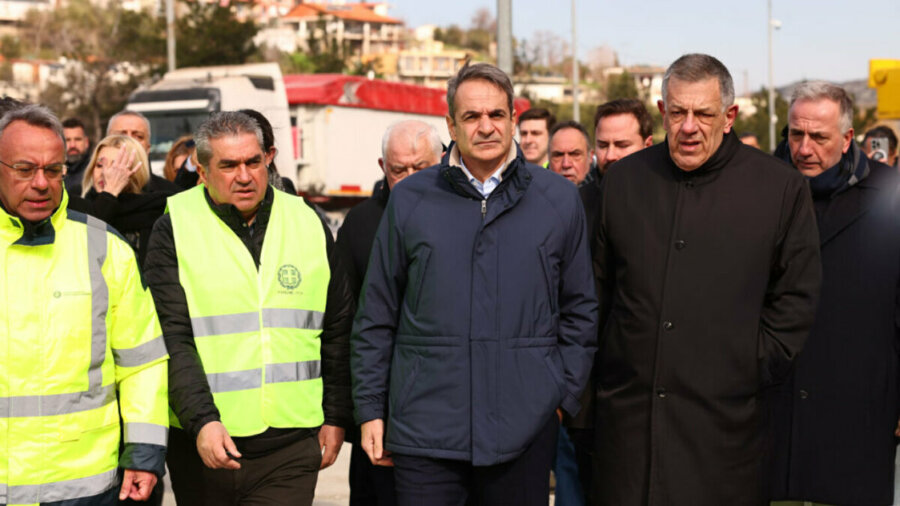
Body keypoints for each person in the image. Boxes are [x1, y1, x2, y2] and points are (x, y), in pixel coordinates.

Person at [352, 62, 598, 506]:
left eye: (496, 115)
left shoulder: (557, 199)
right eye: (471, 117)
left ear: (513, 119)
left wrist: (558, 399)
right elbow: (377, 312)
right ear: (451, 124)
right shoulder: (410, 198)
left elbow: (580, 309)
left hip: (523, 433)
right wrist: (370, 409)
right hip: (425, 433)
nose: (486, 127)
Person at [591, 53, 821, 506]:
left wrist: (748, 364)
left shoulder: (779, 189)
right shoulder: (624, 183)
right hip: (629, 435)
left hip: (726, 434)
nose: (689, 126)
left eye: (703, 113)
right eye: (678, 112)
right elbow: (598, 293)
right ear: (662, 112)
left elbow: (796, 299)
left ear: (730, 116)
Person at [144, 111, 353, 506]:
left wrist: (336, 415)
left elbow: (338, 326)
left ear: (267, 160)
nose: (244, 176)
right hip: (205, 443)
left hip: (290, 444)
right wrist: (203, 420)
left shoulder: (306, 220)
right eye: (228, 165)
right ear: (203, 172)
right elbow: (171, 335)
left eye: (253, 162)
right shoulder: (174, 226)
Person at [0, 104, 168, 504]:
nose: (41, 183)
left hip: (86, 488)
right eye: (25, 169)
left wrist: (144, 454)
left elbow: (143, 362)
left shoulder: (106, 248)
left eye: (54, 170)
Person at [768, 82, 900, 506]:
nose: (803, 148)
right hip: (771, 408)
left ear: (847, 140)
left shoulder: (892, 195)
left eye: (819, 137)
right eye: (795, 134)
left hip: (860, 407)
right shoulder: (758, 189)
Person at [336, 119, 443, 506]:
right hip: (379, 404)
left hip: (442, 406)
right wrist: (358, 413)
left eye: (421, 168)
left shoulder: (466, 215)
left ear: (444, 159)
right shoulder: (361, 223)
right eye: (400, 170)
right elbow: (346, 324)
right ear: (383, 167)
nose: (411, 178)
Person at [80, 135, 179, 267]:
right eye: (99, 165)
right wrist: (109, 194)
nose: (105, 172)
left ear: (135, 171)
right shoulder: (79, 208)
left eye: (116, 166)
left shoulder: (158, 210)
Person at [580, 98, 654, 244]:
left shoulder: (669, 199)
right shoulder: (578, 205)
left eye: (622, 145)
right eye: (603, 145)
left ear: (648, 145)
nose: (610, 156)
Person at [548, 120, 592, 185]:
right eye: (558, 155)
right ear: (548, 158)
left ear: (590, 157)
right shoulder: (533, 193)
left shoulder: (606, 192)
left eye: (575, 154)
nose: (566, 164)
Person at [63, 117, 92, 195]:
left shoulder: (95, 172)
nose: (72, 145)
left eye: (77, 139)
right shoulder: (52, 173)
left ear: (86, 142)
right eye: (67, 140)